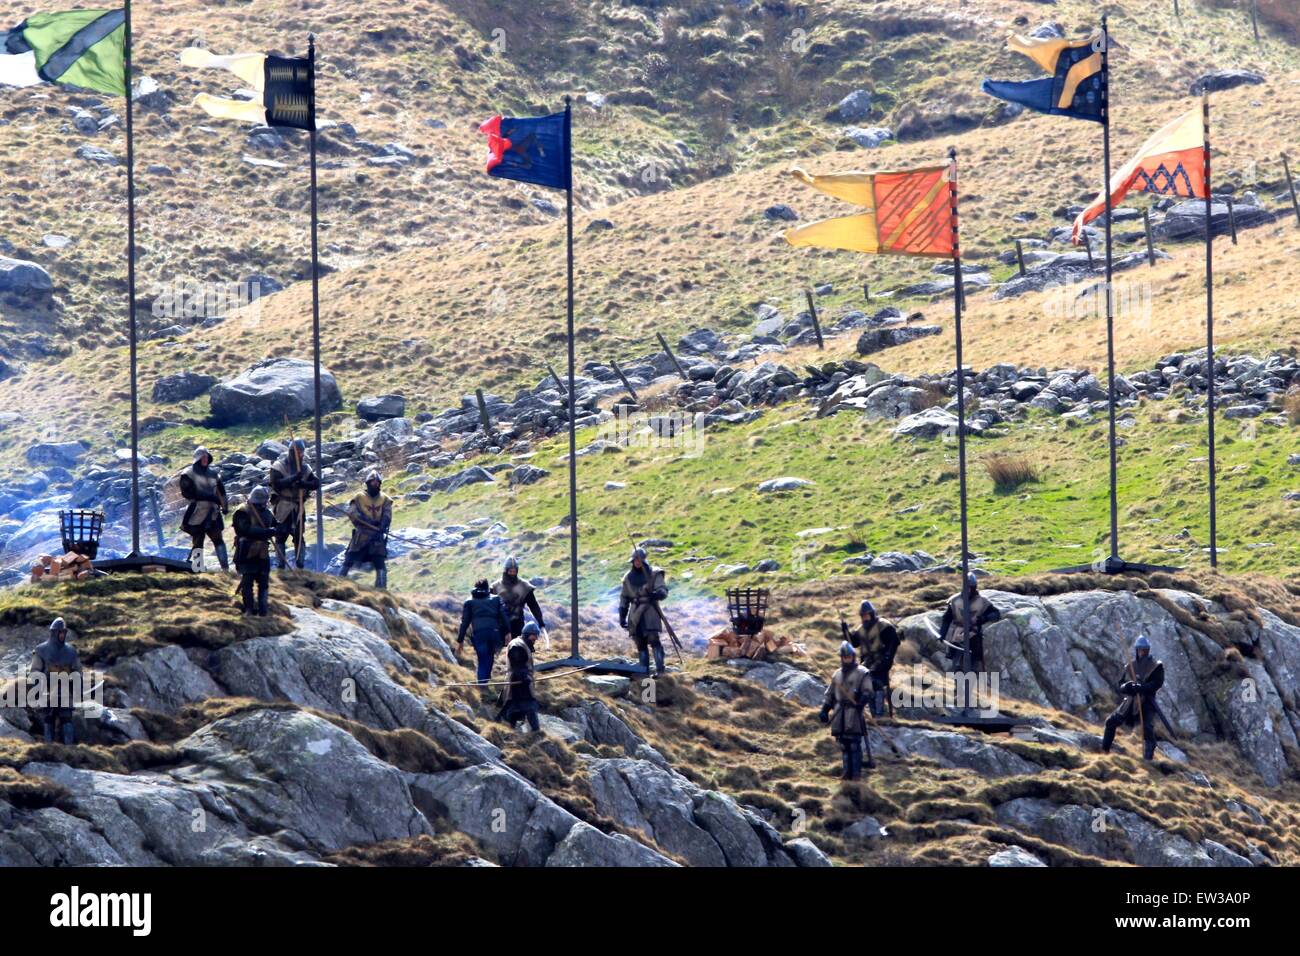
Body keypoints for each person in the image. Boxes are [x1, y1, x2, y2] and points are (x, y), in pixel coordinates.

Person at [1102, 635, 1166, 761]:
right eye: (1140, 649)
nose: (1142, 652)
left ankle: (1148, 759)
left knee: (1147, 728)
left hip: (1147, 701)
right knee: (1110, 722)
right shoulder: (1131, 666)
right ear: (1136, 650)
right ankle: (1104, 752)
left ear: (1148, 650)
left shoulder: (1156, 666)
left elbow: (1157, 684)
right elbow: (1121, 685)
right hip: (1131, 701)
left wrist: (1142, 687)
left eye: (1144, 650)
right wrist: (1128, 686)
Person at [819, 641, 874, 779]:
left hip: (854, 713)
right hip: (839, 714)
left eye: (849, 656)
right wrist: (825, 709)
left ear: (853, 656)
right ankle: (846, 773)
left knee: (854, 745)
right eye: (844, 657)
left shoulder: (862, 672)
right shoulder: (837, 674)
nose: (847, 659)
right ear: (842, 658)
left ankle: (855, 774)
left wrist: (861, 701)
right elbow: (830, 694)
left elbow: (868, 690)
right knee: (844, 745)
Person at [269, 438, 320, 570]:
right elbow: (276, 484)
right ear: (291, 451)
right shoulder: (279, 466)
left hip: (298, 507)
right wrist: (293, 479)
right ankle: (281, 565)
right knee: (280, 534)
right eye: (297, 451)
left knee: (299, 536)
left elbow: (316, 483)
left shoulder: (305, 468)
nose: (300, 454)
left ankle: (300, 564)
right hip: (283, 505)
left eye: (301, 452)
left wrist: (303, 484)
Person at [30, 618, 81, 744]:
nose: (62, 635)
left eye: (64, 632)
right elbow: (35, 671)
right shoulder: (41, 650)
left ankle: (69, 750)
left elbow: (78, 671)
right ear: (54, 633)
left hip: (65, 690)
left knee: (66, 719)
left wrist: (74, 681)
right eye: (60, 632)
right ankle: (49, 748)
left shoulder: (71, 651)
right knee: (48, 719)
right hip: (47, 690)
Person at [845, 599, 900, 717]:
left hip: (881, 660)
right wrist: (845, 632)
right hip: (867, 662)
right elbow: (853, 643)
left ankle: (879, 713)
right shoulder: (861, 629)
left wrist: (887, 657)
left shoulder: (883, 625)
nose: (865, 618)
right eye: (863, 615)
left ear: (871, 613)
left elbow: (893, 642)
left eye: (866, 615)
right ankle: (874, 713)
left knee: (878, 684)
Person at [619, 547, 669, 675]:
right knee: (640, 643)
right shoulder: (627, 578)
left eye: (639, 560)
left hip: (650, 611)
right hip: (635, 613)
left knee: (653, 640)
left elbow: (663, 590)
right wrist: (622, 616)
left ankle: (660, 671)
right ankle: (643, 672)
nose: (637, 562)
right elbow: (624, 598)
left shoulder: (653, 573)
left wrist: (656, 595)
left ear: (644, 560)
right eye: (635, 560)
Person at [938, 572, 1001, 672]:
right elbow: (947, 619)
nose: (967, 590)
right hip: (957, 637)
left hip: (974, 636)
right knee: (957, 666)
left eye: (970, 587)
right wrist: (942, 633)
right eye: (965, 587)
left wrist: (984, 618)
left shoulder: (982, 602)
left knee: (972, 666)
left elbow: (996, 614)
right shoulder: (955, 601)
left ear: (974, 587)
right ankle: (958, 685)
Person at [179, 446, 228, 571]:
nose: (205, 459)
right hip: (198, 512)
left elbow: (222, 492)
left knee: (218, 540)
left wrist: (224, 505)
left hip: (213, 513)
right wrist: (210, 497)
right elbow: (187, 493)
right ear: (198, 458)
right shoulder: (188, 473)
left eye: (207, 457)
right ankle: (198, 569)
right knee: (198, 542)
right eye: (203, 457)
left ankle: (225, 569)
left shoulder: (213, 474)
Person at [340, 470, 391, 588]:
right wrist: (367, 522)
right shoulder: (359, 497)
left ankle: (382, 590)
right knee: (349, 561)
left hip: (377, 538)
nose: (376, 485)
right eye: (373, 483)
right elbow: (352, 512)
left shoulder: (385, 499)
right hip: (361, 536)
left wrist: (382, 526)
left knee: (380, 564)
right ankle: (339, 584)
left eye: (378, 483)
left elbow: (387, 514)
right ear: (368, 483)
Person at [232, 486, 277, 617]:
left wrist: (279, 528)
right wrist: (266, 532)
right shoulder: (243, 511)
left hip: (262, 552)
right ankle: (249, 610)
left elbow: (274, 523)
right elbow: (245, 529)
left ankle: (263, 610)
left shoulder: (266, 512)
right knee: (247, 582)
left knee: (263, 583)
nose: (265, 503)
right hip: (247, 550)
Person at [457, 579, 509, 685]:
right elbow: (504, 616)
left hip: (479, 633)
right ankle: (486, 680)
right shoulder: (496, 599)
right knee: (490, 655)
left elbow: (465, 622)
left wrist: (460, 640)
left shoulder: (469, 602)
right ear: (487, 587)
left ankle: (482, 684)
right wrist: (508, 632)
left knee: (482, 658)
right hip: (494, 632)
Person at [499, 621, 541, 733]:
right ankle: (537, 732)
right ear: (528, 633)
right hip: (517, 684)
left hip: (522, 683)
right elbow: (517, 663)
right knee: (530, 707)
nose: (536, 638)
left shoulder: (523, 644)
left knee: (514, 710)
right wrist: (524, 676)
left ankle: (510, 733)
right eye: (534, 635)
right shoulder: (517, 645)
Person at [492, 556, 546, 639]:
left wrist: (540, 621)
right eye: (510, 571)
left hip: (517, 623)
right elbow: (489, 606)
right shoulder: (495, 587)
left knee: (517, 647)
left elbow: (533, 605)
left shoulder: (524, 586)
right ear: (506, 571)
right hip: (500, 625)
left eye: (514, 571)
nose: (513, 573)